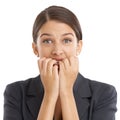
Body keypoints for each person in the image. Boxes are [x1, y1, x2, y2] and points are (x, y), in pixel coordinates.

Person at [3, 5, 117, 120]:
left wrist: (66, 91)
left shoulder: (104, 93)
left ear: (78, 47)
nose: (57, 51)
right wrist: (49, 95)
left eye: (66, 40)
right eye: (47, 41)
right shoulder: (16, 93)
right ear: (35, 48)